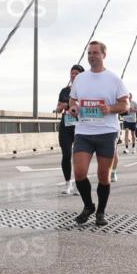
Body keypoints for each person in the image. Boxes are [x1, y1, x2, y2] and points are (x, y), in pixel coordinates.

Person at [67, 41, 129, 226]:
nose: (91, 56)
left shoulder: (114, 79)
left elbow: (125, 104)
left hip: (107, 132)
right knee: (79, 172)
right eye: (89, 53)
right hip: (84, 132)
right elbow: (72, 100)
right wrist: (73, 108)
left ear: (104, 55)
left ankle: (100, 212)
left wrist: (110, 108)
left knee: (103, 175)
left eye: (95, 53)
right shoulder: (80, 79)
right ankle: (88, 206)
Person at [56, 64, 84, 195]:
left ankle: (79, 185)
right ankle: (68, 184)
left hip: (80, 126)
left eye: (76, 73)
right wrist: (61, 107)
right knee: (66, 155)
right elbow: (58, 108)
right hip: (66, 126)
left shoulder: (86, 90)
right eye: (72, 73)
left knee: (79, 157)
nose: (73, 75)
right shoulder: (64, 91)